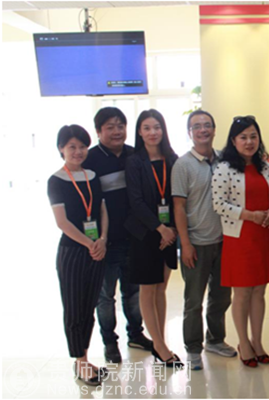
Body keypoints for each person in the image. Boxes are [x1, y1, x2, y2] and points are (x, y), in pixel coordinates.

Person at [83, 107, 153, 364]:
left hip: (134, 238)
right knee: (105, 296)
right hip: (106, 241)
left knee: (133, 292)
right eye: (110, 127)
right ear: (98, 131)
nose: (116, 131)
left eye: (120, 126)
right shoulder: (90, 160)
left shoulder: (135, 155)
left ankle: (135, 334)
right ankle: (110, 342)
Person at [212, 116, 269, 368]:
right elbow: (218, 204)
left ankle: (257, 341)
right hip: (239, 237)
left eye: (253, 136)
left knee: (259, 291)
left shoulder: (265, 167)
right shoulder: (224, 168)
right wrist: (249, 215)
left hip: (264, 235)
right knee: (242, 293)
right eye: (243, 137)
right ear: (233, 141)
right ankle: (243, 342)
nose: (249, 142)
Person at [172, 110, 237, 371]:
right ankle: (193, 348)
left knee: (221, 297)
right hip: (196, 243)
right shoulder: (183, 165)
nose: (203, 130)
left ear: (214, 129)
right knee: (193, 301)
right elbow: (178, 207)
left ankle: (215, 340)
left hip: (224, 241)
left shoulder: (225, 160)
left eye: (207, 125)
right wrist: (185, 244)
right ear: (190, 132)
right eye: (197, 126)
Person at [48, 125, 108, 386]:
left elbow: (102, 210)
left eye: (82, 146)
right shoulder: (56, 180)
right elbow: (62, 222)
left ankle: (84, 358)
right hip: (72, 251)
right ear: (61, 149)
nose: (78, 151)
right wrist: (90, 243)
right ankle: (80, 361)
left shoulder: (92, 176)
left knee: (88, 307)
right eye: (71, 147)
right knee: (74, 308)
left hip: (97, 250)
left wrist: (102, 239)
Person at [124, 109, 182, 367]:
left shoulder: (172, 159)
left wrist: (173, 230)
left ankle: (162, 341)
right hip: (146, 234)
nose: (152, 132)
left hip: (169, 233)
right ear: (139, 132)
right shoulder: (134, 161)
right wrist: (160, 228)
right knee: (148, 289)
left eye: (157, 127)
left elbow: (179, 197)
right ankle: (158, 345)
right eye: (147, 128)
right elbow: (135, 202)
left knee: (161, 288)